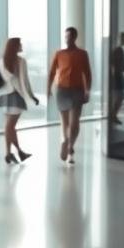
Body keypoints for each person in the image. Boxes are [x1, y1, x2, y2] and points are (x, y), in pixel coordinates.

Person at [47, 27, 92, 165]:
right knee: (65, 122)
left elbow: (88, 73)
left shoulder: (83, 54)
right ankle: (66, 142)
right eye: (65, 37)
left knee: (74, 123)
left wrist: (87, 90)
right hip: (61, 90)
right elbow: (52, 72)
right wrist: (48, 88)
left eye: (69, 37)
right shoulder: (59, 53)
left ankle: (70, 145)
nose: (67, 39)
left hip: (77, 90)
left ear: (75, 37)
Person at [0, 37, 39, 164]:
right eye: (20, 44)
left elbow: (6, 78)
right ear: (15, 46)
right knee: (10, 127)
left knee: (10, 127)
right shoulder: (21, 61)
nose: (22, 45)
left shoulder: (2, 61)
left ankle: (16, 152)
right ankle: (10, 153)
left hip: (4, 96)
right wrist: (31, 96)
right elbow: (25, 82)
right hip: (16, 97)